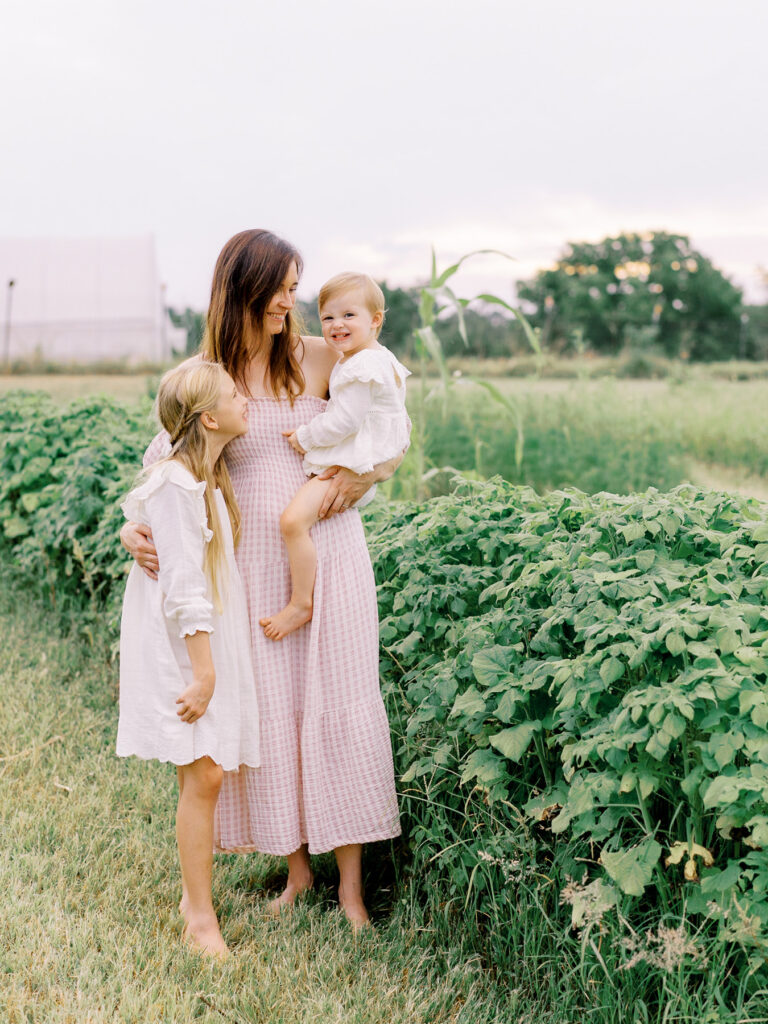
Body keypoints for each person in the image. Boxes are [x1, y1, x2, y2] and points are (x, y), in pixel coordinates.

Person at [121, 230, 404, 930]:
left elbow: (385, 434)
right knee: (276, 714)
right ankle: (296, 870)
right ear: (244, 288)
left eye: (294, 285)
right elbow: (165, 464)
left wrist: (356, 483)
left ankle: (351, 890)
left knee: (337, 699)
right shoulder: (208, 375)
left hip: (326, 550)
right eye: (280, 286)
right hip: (249, 567)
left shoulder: (318, 358)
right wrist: (132, 529)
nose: (291, 301)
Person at [117, 360, 259, 957]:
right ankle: (199, 916)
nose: (244, 399)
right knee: (201, 773)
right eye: (234, 394)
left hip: (200, 633)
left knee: (206, 772)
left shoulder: (196, 473)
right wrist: (204, 672)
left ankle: (194, 903)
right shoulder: (177, 483)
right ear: (208, 417)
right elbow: (181, 584)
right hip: (183, 642)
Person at [259, 272, 410, 641]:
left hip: (349, 467)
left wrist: (305, 437)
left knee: (293, 522)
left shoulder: (360, 366)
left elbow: (345, 419)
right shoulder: (369, 357)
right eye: (328, 317)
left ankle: (300, 603)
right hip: (355, 462)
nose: (336, 325)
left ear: (376, 320)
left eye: (349, 316)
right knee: (296, 522)